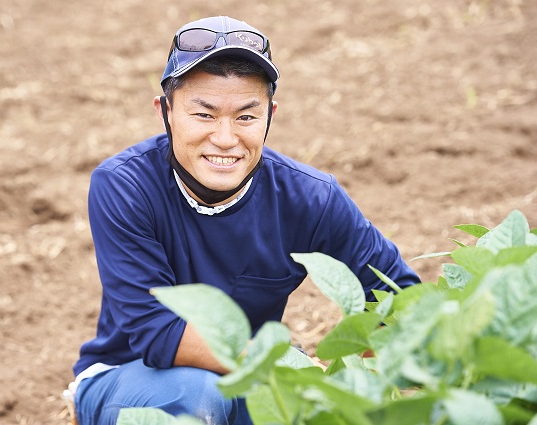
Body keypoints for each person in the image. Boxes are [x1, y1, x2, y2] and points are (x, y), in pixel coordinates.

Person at [68, 15, 420, 425]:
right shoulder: (125, 186)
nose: (225, 138)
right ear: (165, 112)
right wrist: (290, 373)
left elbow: (399, 298)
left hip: (244, 379)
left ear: (271, 114)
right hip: (131, 377)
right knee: (196, 393)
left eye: (246, 116)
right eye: (204, 114)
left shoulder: (310, 197)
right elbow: (155, 332)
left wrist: (361, 375)